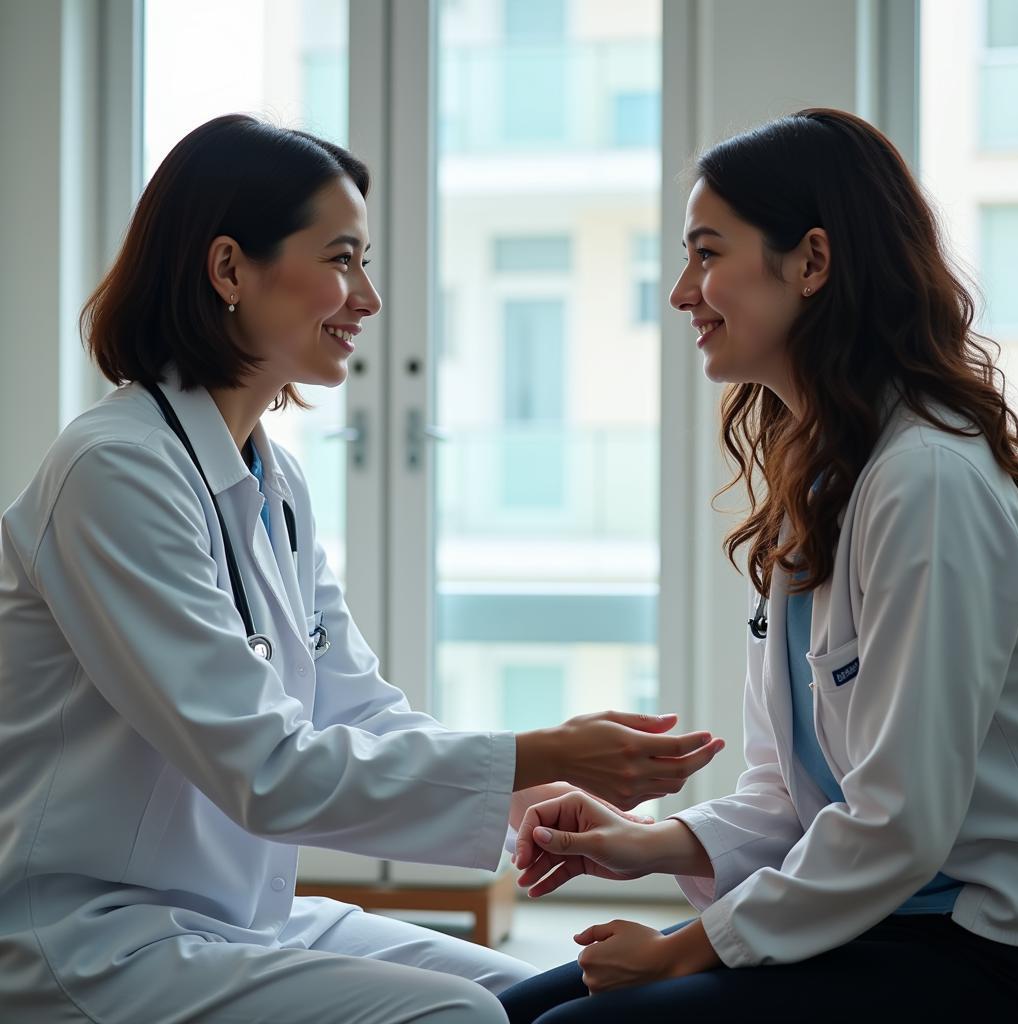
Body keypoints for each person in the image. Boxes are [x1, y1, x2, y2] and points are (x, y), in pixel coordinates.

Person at [0, 114, 724, 1024]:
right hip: (94, 937)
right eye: (342, 259)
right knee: (459, 1020)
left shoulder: (275, 480)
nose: (368, 298)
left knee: (533, 996)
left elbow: (355, 710)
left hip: (236, 921)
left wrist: (539, 794)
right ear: (229, 269)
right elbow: (263, 769)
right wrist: (543, 751)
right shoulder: (113, 471)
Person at [498, 108, 1018, 1023]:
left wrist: (678, 954)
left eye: (708, 254)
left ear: (813, 262)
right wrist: (643, 842)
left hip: (969, 948)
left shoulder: (926, 482)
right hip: (873, 921)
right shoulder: (830, 472)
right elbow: (792, 796)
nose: (679, 292)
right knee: (495, 1014)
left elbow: (899, 826)